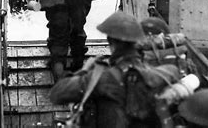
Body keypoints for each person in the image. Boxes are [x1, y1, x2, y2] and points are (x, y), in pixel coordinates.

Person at [50, 11, 181, 127]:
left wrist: (85, 69)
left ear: (111, 42)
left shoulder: (101, 78)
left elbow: (57, 94)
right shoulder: (163, 74)